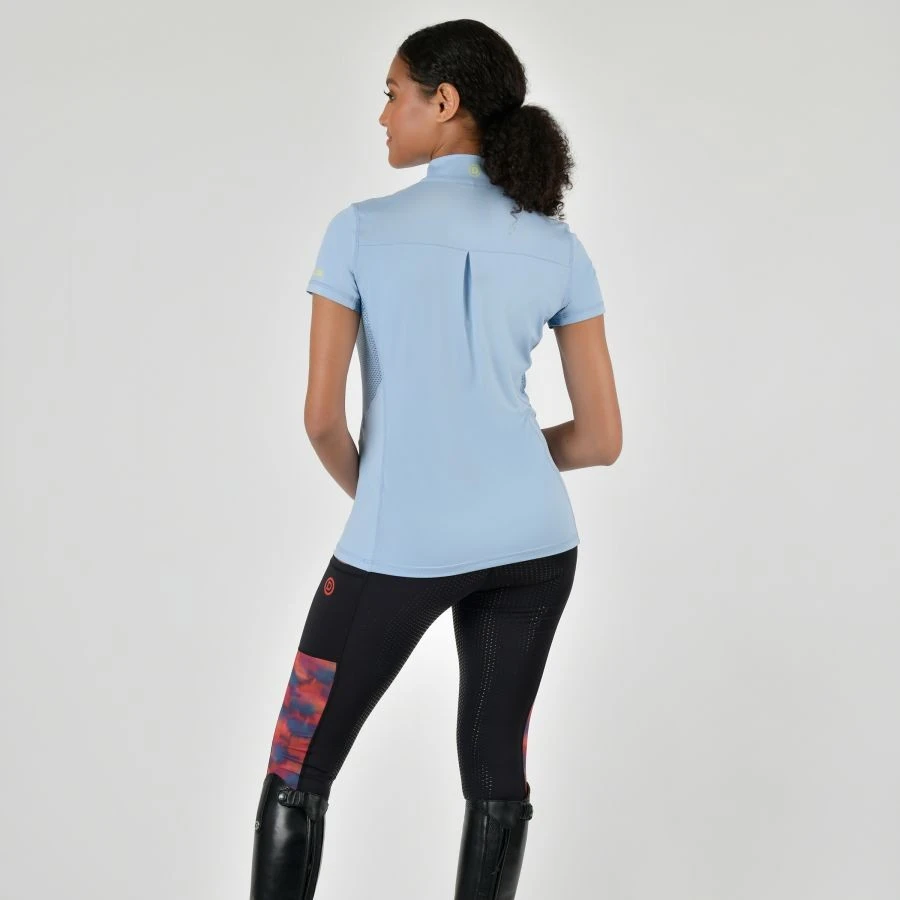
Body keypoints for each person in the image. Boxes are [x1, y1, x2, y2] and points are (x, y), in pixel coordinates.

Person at [249, 18, 622, 900]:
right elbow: (601, 439)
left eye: (393, 94)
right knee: (496, 774)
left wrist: (392, 487)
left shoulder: (358, 232)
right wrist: (496, 458)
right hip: (535, 547)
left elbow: (321, 420)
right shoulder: (558, 246)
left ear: (444, 102)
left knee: (298, 761)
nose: (383, 115)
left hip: (400, 543)